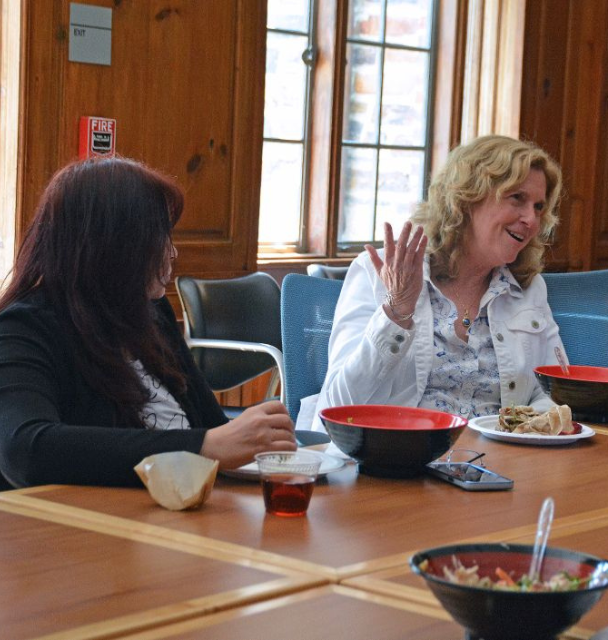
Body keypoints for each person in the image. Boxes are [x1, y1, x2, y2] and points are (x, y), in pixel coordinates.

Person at [0, 157, 296, 490]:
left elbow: (210, 425)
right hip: (89, 527)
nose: (171, 253)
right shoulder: (22, 328)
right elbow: (25, 450)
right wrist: (202, 449)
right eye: (158, 237)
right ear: (112, 247)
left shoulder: (151, 313)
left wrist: (251, 439)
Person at [303, 135, 566, 429]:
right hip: (397, 457)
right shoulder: (380, 272)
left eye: (539, 207)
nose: (531, 219)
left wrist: (536, 426)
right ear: (468, 197)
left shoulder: (528, 287)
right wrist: (397, 312)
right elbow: (337, 406)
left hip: (501, 461)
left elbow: (551, 390)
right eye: (517, 198)